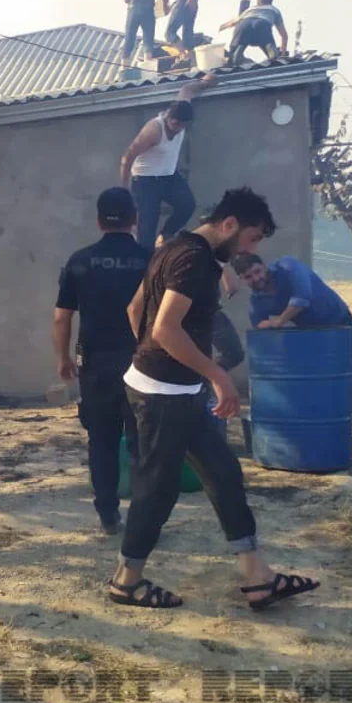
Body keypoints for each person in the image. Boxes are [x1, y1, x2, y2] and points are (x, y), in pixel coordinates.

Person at [110, 188, 320, 610]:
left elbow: (135, 309)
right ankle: (126, 582)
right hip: (163, 396)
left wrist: (159, 361)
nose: (250, 250)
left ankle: (258, 578)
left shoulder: (175, 248)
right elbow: (164, 330)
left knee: (224, 474)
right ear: (229, 225)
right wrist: (217, 374)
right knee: (158, 489)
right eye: (251, 238)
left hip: (179, 391)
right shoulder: (194, 261)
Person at [54, 188, 151, 535]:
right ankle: (144, 519)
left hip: (95, 365)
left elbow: (62, 317)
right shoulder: (151, 260)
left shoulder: (80, 261)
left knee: (102, 440)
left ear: (98, 221)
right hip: (143, 365)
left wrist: (63, 358)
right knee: (143, 443)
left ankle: (108, 515)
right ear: (134, 218)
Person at [231, 253, 352, 450]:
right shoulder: (257, 300)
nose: (256, 278)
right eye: (248, 276)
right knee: (317, 384)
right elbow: (258, 325)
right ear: (242, 280)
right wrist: (265, 327)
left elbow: (302, 298)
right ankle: (328, 432)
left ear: (264, 266)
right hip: (308, 333)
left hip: (339, 324)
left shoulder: (289, 267)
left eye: (257, 271)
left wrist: (279, 321)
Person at [120, 73, 219, 251]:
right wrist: (124, 189)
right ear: (168, 117)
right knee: (146, 232)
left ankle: (165, 235)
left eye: (179, 126)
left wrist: (205, 83)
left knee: (187, 205)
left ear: (185, 124)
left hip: (168, 176)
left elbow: (187, 90)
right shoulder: (153, 130)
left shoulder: (182, 107)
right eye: (172, 124)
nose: (175, 128)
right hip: (145, 181)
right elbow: (128, 157)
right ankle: (146, 261)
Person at [220, 0, 288, 64]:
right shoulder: (274, 10)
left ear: (257, 2)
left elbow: (233, 22)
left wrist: (221, 27)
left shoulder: (250, 9)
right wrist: (283, 54)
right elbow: (284, 35)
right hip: (262, 25)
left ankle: (233, 59)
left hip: (243, 25)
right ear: (271, 2)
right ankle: (274, 59)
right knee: (274, 57)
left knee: (234, 56)